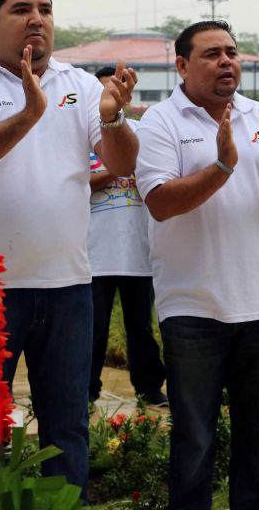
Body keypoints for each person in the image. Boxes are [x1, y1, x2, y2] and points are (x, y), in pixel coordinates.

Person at [0, 0, 138, 492]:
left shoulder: (81, 84)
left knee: (66, 426)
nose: (37, 19)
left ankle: (63, 504)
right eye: (22, 9)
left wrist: (114, 122)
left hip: (67, 286)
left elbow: (121, 162)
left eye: (45, 8)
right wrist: (28, 114)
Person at [136, 21, 259, 510]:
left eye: (231, 51)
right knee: (194, 443)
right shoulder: (160, 122)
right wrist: (223, 167)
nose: (226, 61)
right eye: (211, 54)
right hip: (193, 310)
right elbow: (161, 203)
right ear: (183, 66)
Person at [87, 66, 167, 408]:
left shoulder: (141, 133)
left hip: (138, 250)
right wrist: (117, 169)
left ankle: (149, 388)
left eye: (119, 89)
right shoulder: (86, 135)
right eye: (106, 89)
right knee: (94, 328)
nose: (113, 95)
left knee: (141, 328)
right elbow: (77, 183)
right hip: (94, 253)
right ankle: (86, 390)